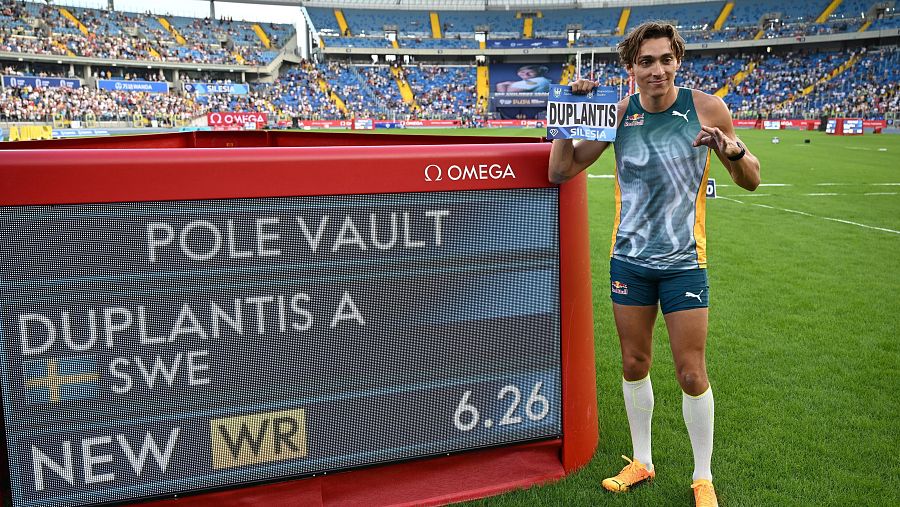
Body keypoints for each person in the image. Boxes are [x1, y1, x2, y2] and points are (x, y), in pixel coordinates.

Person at [548, 22, 760, 507]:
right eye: (647, 61)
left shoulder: (708, 108)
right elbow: (560, 170)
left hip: (685, 262)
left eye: (666, 59)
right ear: (631, 68)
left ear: (677, 61)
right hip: (630, 261)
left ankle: (702, 476)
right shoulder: (618, 113)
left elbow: (751, 179)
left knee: (690, 372)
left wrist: (734, 152)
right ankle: (642, 460)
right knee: (633, 362)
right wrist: (570, 110)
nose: (657, 69)